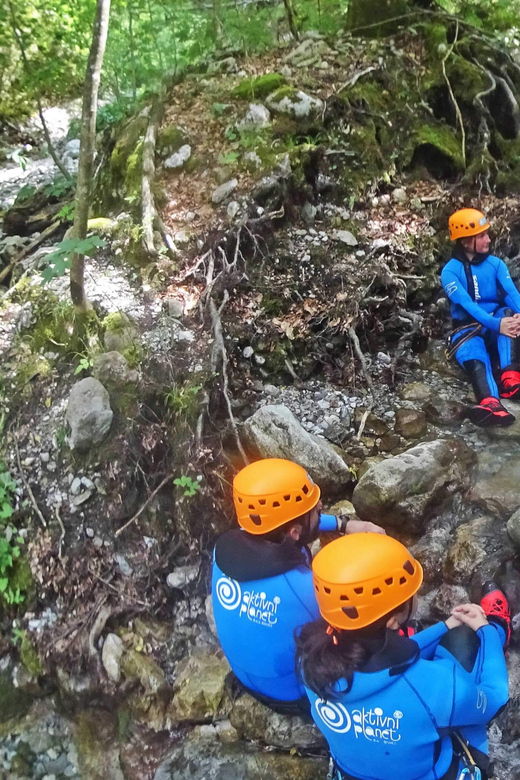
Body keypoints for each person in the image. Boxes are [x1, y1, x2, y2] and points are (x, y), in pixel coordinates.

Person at [297, 533, 510, 780]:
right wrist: (485, 631)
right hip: (431, 770)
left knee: (449, 639)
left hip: (354, 773)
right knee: (463, 642)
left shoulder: (310, 659)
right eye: (412, 594)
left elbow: (384, 662)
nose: (416, 596)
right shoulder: (437, 684)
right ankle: (498, 626)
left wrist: (444, 625)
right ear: (392, 621)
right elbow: (495, 699)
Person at [211, 457, 384, 713]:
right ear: (293, 532)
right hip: (289, 695)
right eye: (316, 510)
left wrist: (343, 524)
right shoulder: (304, 588)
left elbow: (296, 525)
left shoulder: (223, 551)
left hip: (245, 675)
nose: (321, 507)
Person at [441, 207, 520, 427]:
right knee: (474, 355)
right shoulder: (450, 272)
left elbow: (511, 294)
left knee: (509, 314)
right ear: (466, 241)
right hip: (466, 329)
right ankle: (490, 403)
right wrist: (497, 325)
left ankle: (511, 378)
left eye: (487, 234)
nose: (488, 239)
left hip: (498, 321)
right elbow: (467, 304)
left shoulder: (496, 264)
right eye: (482, 235)